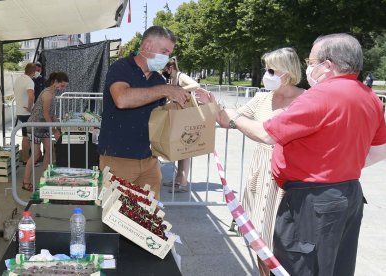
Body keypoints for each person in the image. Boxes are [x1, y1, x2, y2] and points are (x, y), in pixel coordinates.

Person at [197, 33, 386, 275]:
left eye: (312, 61)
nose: (309, 67)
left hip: (311, 201)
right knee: (336, 265)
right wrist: (339, 166)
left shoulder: (320, 96)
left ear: (327, 66)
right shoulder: (370, 97)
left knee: (299, 266)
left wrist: (235, 118)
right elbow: (379, 151)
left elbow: (267, 134)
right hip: (348, 194)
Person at [197, 47, 304, 275]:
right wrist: (212, 103)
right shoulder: (261, 98)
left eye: (271, 70)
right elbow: (227, 120)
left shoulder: (305, 99)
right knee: (258, 237)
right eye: (266, 69)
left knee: (283, 241)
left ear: (287, 72)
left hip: (289, 178)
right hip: (261, 174)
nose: (267, 74)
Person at [98, 26, 190, 200]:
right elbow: (122, 99)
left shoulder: (158, 79)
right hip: (117, 159)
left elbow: (160, 116)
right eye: (164, 51)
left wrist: (189, 101)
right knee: (115, 219)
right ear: (147, 46)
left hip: (149, 160)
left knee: (149, 218)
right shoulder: (121, 68)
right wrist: (165, 90)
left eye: (169, 53)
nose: (167, 58)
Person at [22, 72, 68, 191]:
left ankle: (45, 177)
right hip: (35, 125)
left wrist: (57, 128)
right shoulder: (47, 94)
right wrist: (53, 129)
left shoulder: (53, 93)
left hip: (44, 125)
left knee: (49, 150)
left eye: (64, 87)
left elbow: (51, 114)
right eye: (62, 86)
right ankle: (25, 182)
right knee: (36, 154)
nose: (62, 89)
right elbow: (46, 114)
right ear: (55, 82)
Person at [162, 57, 200, 193]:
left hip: (187, 117)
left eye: (164, 70)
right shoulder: (173, 78)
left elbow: (195, 85)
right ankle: (178, 179)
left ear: (170, 68)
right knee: (180, 150)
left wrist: (179, 90)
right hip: (180, 117)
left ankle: (183, 183)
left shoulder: (181, 76)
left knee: (186, 151)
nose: (163, 73)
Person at [13, 63, 36, 165]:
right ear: (34, 72)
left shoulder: (18, 79)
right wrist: (30, 108)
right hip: (27, 112)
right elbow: (31, 96)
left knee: (25, 136)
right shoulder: (29, 81)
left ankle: (26, 159)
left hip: (19, 111)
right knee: (29, 137)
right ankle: (29, 160)